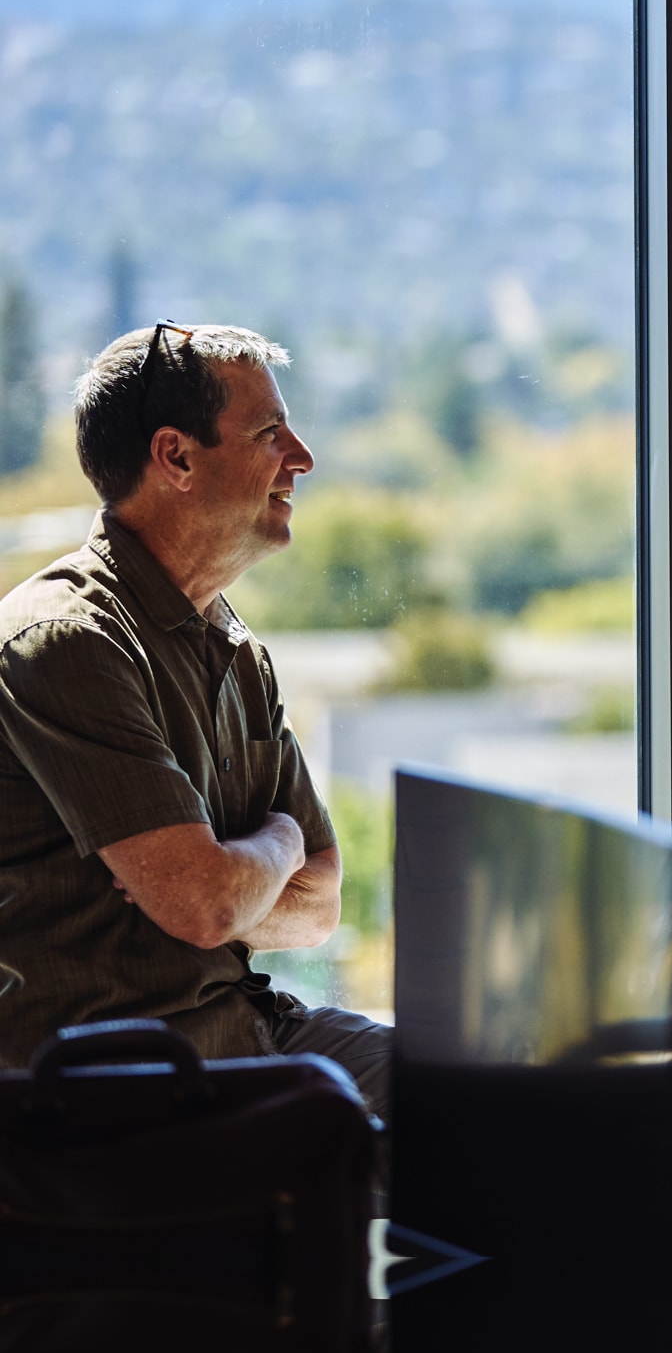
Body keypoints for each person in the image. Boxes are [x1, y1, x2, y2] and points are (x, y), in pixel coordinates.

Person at [0, 323, 391, 1114]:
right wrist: (276, 841)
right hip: (114, 1085)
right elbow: (207, 906)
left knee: (503, 1089)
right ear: (176, 457)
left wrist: (230, 873)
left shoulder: (237, 648)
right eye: (269, 433)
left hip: (247, 1039)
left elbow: (317, 905)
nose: (302, 458)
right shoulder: (66, 641)